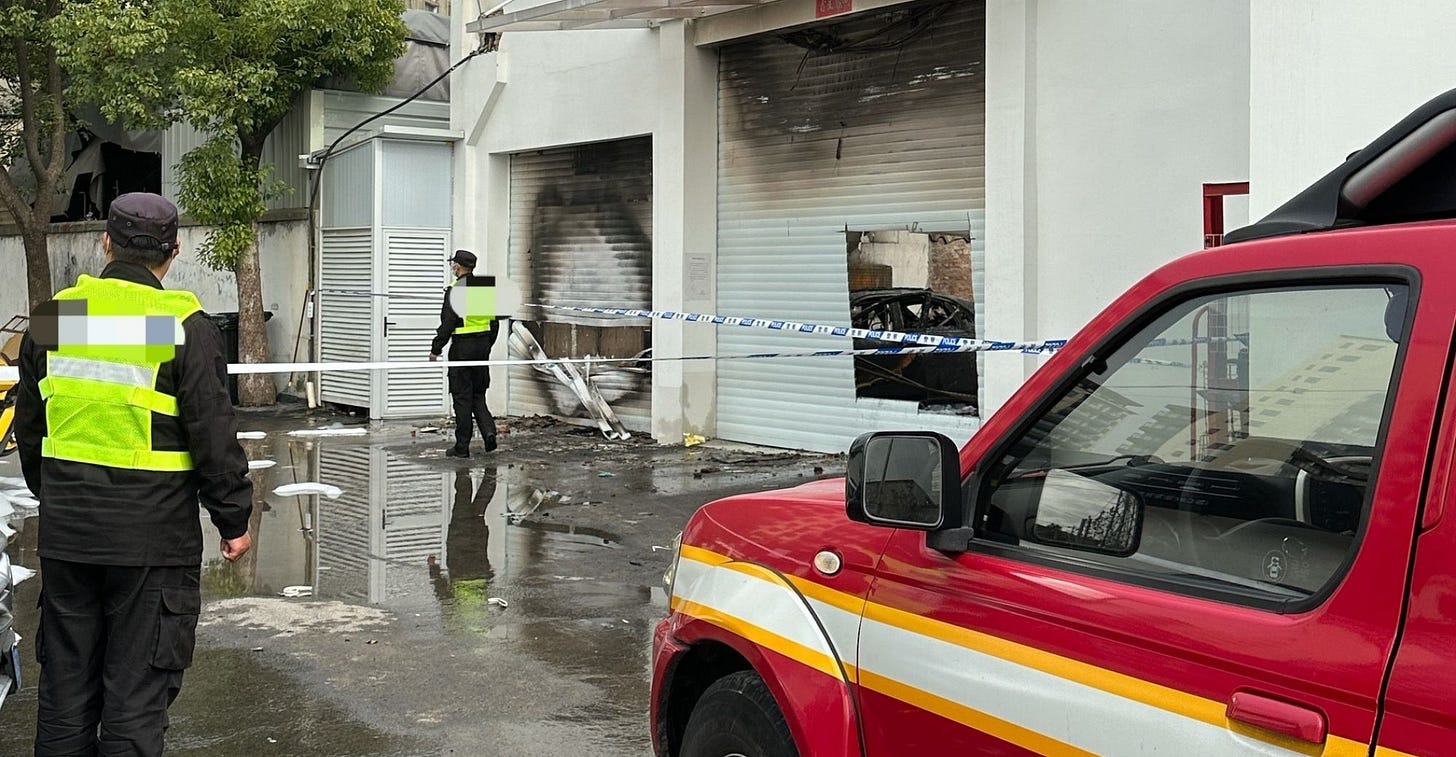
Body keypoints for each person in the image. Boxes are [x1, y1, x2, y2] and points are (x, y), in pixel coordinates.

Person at [14, 192, 254, 757]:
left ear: (105, 243)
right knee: (134, 705)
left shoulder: (56, 319)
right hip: (152, 544)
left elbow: (30, 429)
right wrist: (233, 518)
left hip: (69, 538)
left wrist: (58, 497)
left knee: (65, 701)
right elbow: (212, 434)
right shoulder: (182, 325)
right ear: (173, 252)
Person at [430, 249, 500, 458]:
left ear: (458, 266)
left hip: (461, 348)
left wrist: (436, 348)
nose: (452, 267)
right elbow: (494, 323)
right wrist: (487, 345)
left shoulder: (454, 290)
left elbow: (448, 322)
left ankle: (462, 447)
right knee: (478, 395)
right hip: (481, 348)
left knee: (461, 397)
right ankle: (489, 433)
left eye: (454, 264)